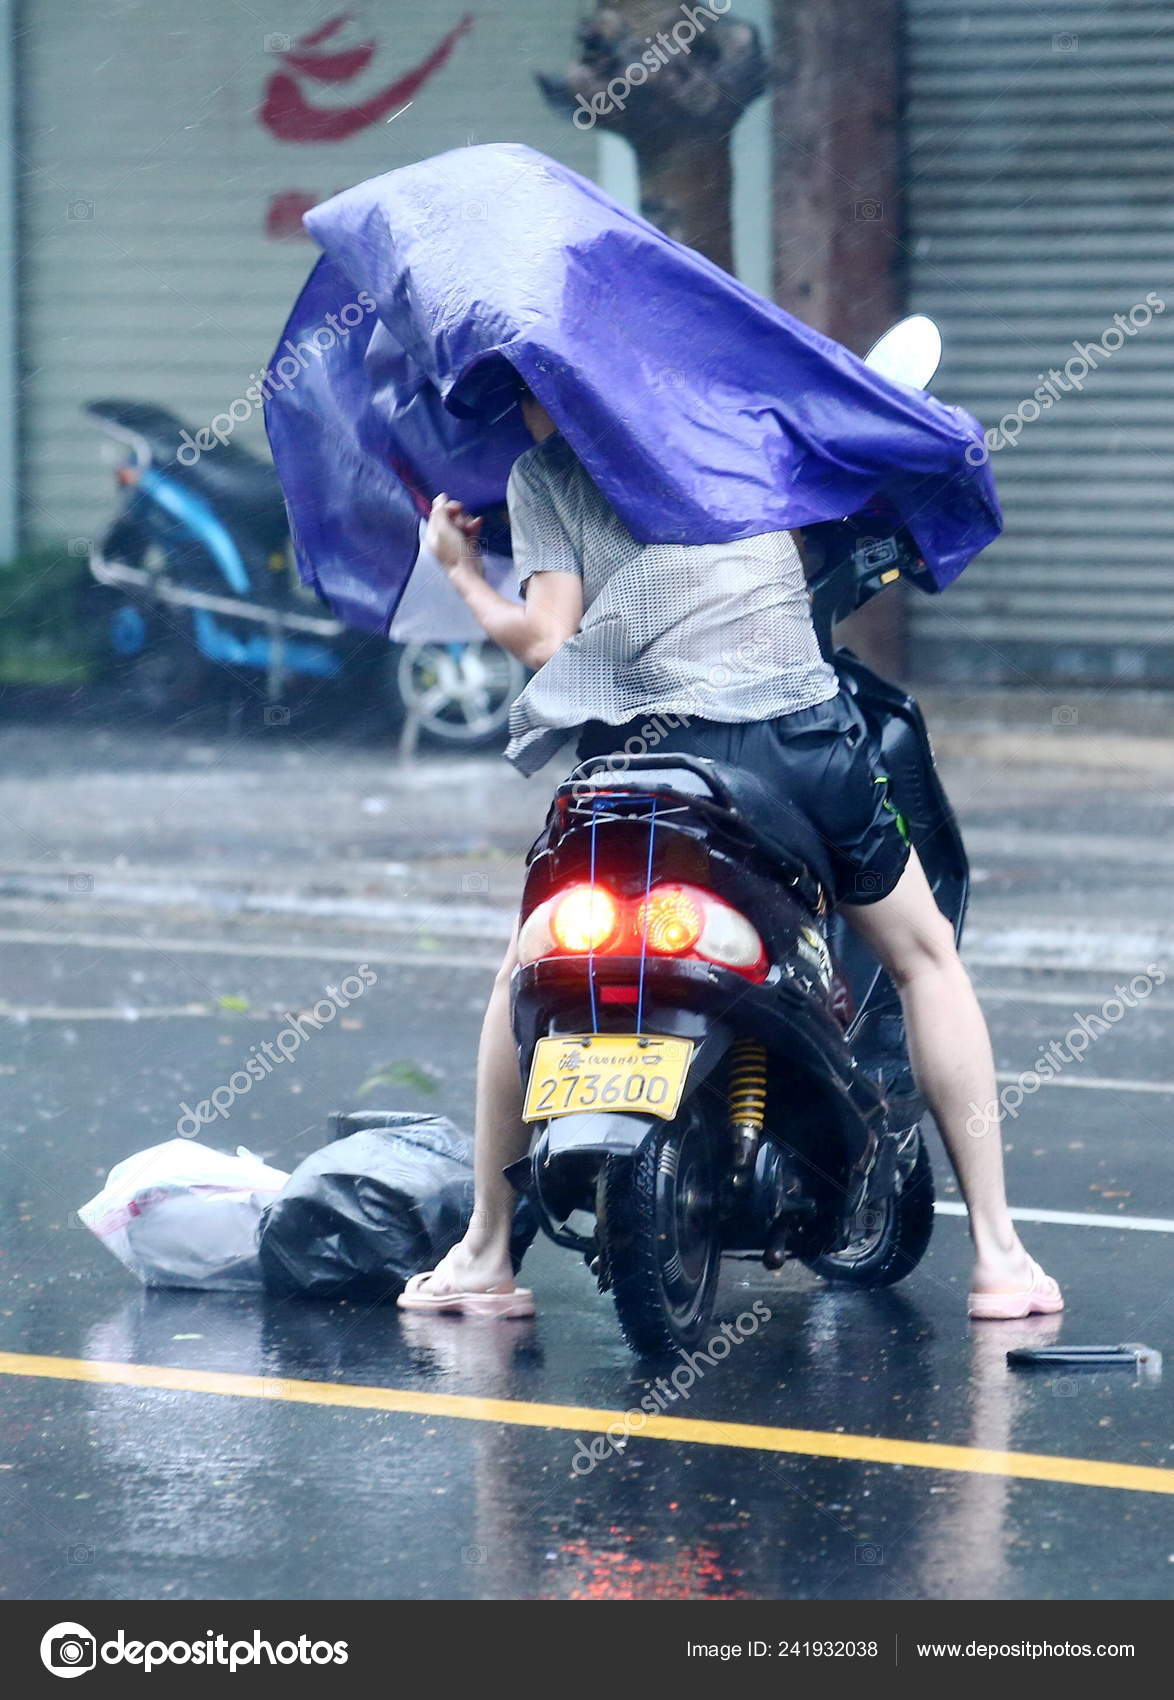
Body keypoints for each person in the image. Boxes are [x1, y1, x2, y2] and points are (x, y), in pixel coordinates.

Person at [397, 387, 1062, 1324]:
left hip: (637, 764)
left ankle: (485, 1253)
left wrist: (462, 572)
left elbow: (547, 639)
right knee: (925, 961)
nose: (524, 416)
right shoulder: (745, 415)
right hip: (796, 745)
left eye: (519, 394)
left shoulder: (546, 473)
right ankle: (999, 1258)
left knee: (523, 971)